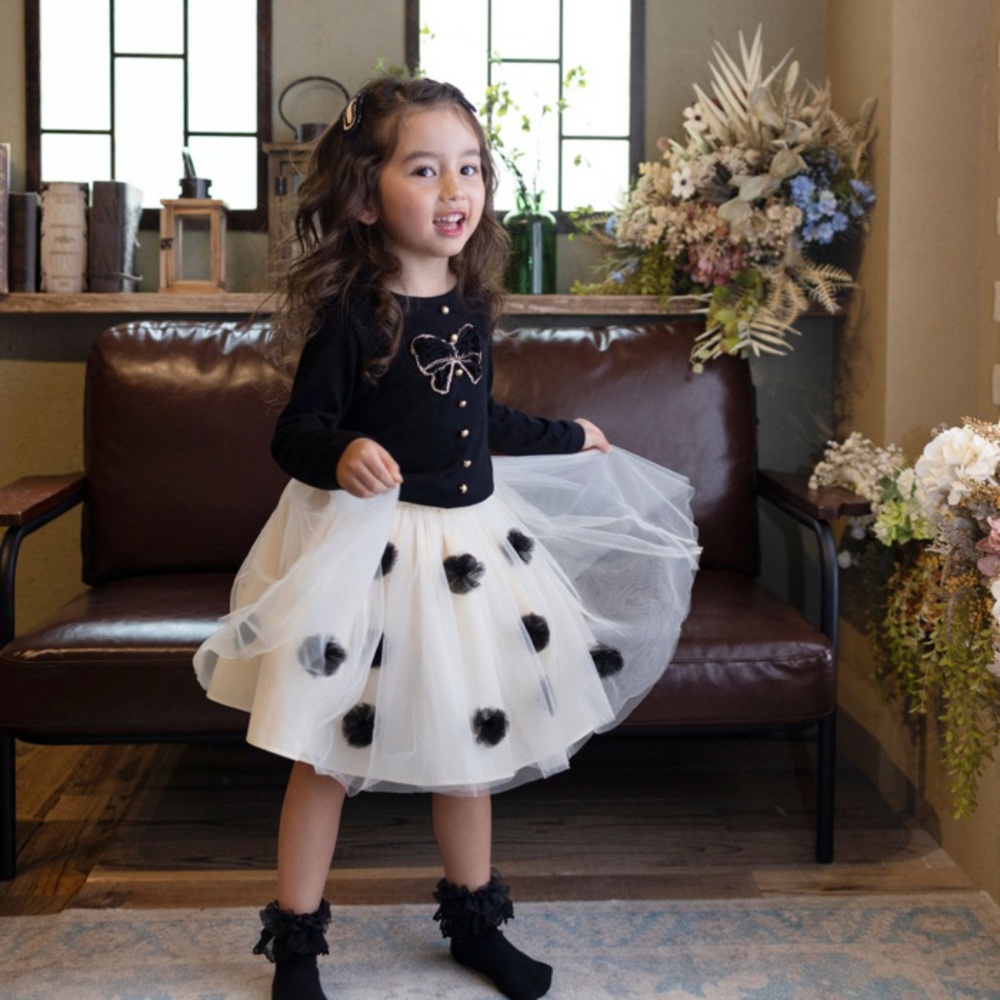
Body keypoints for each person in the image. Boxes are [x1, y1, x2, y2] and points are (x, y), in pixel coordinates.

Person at [194, 74, 699, 1000]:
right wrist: (342, 450)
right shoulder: (354, 316)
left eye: (469, 167)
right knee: (325, 755)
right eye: (424, 169)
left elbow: (477, 420)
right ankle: (297, 947)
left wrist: (568, 436)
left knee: (470, 751)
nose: (454, 188)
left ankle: (476, 927)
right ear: (366, 193)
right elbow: (297, 433)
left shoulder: (469, 303)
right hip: (372, 558)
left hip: (468, 556)